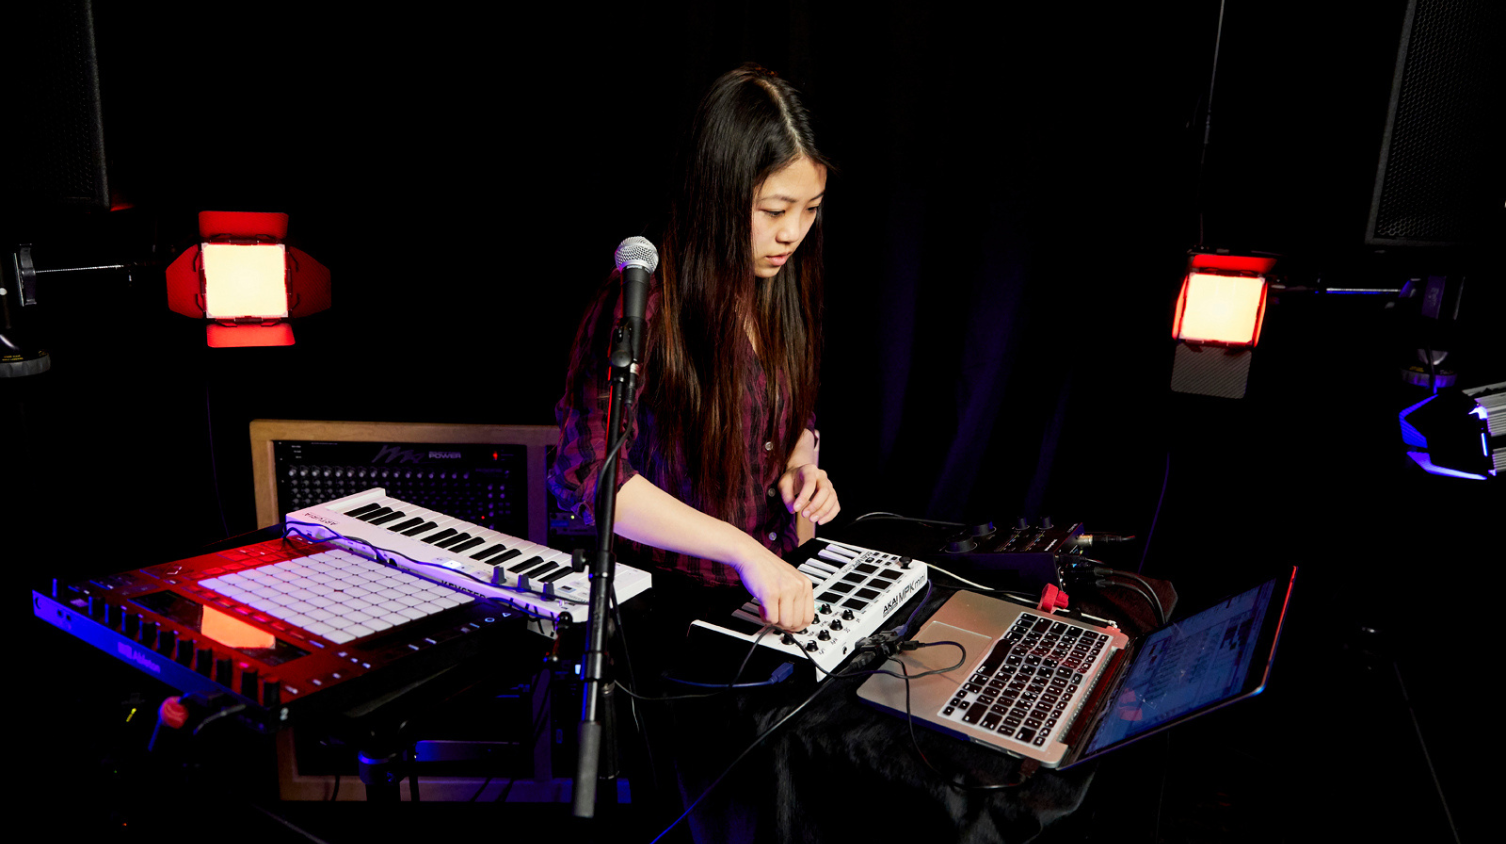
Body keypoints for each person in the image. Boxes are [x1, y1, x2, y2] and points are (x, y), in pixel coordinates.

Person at [548, 64, 836, 633]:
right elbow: (591, 474)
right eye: (775, 210)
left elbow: (789, 412)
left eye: (811, 208)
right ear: (718, 193)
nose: (793, 233)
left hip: (763, 592)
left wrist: (800, 465)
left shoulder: (779, 282)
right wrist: (743, 550)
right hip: (665, 612)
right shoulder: (646, 300)